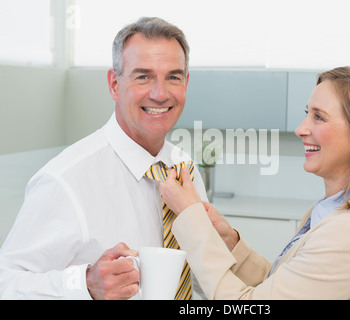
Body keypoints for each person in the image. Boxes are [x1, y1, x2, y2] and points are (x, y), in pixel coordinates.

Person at [159, 66, 350, 299]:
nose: (301, 129)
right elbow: (281, 288)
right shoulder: (332, 212)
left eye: (319, 117)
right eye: (307, 114)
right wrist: (230, 242)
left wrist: (190, 217)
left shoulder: (349, 234)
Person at [0, 17, 207, 300]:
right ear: (114, 84)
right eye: (143, 76)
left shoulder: (185, 169)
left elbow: (200, 275)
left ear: (186, 83)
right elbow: (6, 284)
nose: (160, 93)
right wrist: (85, 285)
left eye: (173, 76)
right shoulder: (65, 180)